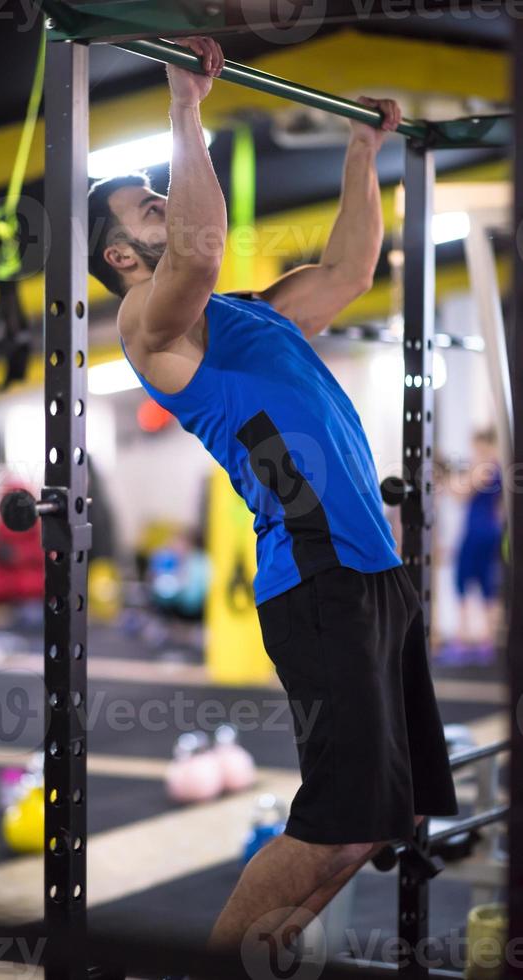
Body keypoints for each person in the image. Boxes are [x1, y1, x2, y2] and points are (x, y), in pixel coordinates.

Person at [87, 35, 458, 967]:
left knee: (384, 819)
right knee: (333, 824)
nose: (164, 203)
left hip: (377, 576)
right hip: (317, 581)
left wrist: (359, 156)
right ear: (122, 255)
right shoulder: (149, 326)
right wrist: (184, 111)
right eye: (147, 207)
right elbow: (199, 257)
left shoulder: (255, 311)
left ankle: (263, 956)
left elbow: (349, 270)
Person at [437, 429, 504, 666]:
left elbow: (461, 493)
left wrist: (444, 476)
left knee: (463, 580)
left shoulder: (485, 466)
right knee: (486, 584)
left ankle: (464, 642)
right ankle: (486, 643)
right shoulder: (498, 468)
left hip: (477, 533)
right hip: (490, 530)